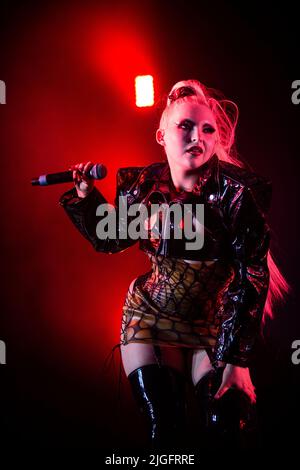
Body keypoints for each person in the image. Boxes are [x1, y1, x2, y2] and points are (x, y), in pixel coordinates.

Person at [59, 79, 289, 449]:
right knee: (166, 431)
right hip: (150, 319)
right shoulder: (142, 187)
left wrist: (238, 360)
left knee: (228, 424)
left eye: (207, 129)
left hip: (213, 327)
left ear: (215, 141)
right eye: (185, 125)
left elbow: (253, 275)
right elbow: (110, 237)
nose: (197, 136)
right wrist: (86, 196)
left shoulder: (237, 194)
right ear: (161, 135)